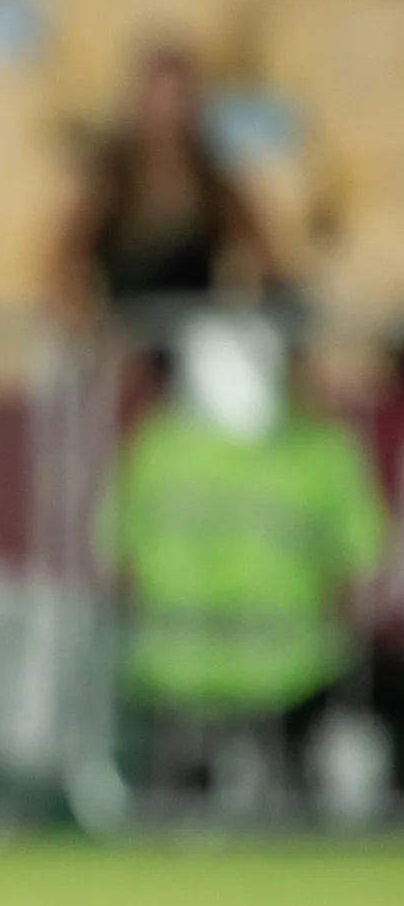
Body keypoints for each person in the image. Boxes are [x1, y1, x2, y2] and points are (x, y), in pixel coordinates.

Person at [105, 309, 386, 814]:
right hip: (291, 667)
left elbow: (115, 563)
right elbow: (360, 572)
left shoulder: (155, 447)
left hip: (175, 663)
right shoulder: (323, 449)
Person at [56, 46, 275, 326]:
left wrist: (244, 309)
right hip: (124, 336)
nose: (169, 113)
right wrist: (91, 323)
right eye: (160, 99)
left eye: (179, 100)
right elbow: (63, 262)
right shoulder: (112, 177)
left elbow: (262, 253)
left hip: (194, 335)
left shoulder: (211, 179)